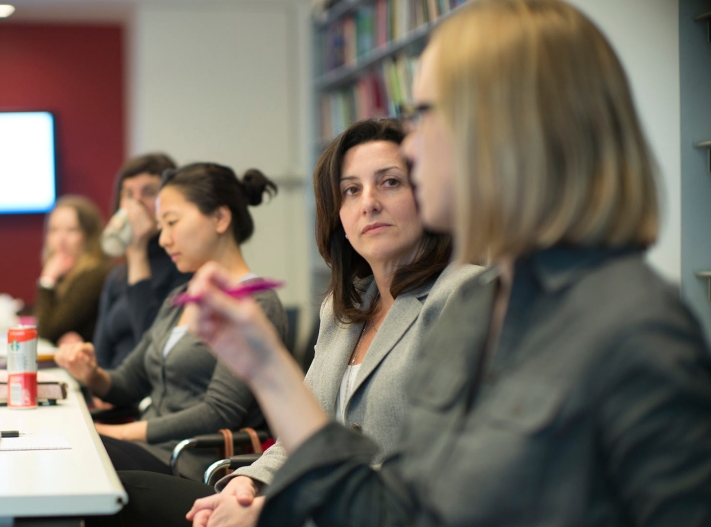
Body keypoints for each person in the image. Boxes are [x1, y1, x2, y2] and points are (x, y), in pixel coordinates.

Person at [182, 1, 711, 525]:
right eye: (351, 190)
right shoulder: (484, 304)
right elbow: (396, 512)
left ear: (515, 129)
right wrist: (265, 366)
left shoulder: (633, 326)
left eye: (427, 115)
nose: (411, 148)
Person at [92, 118, 483, 527]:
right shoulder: (342, 309)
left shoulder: (464, 296)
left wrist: (273, 508)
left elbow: (436, 472)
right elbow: (299, 435)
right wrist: (247, 482)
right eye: (351, 190)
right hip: (305, 503)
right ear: (338, 216)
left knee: (117, 496)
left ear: (428, 192)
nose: (368, 202)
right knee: (112, 494)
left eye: (390, 182)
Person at [54, 163, 288, 480]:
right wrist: (92, 374)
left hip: (190, 463)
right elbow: (128, 382)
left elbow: (219, 411)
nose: (163, 239)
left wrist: (122, 433)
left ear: (220, 218)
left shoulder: (254, 304)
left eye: (172, 223)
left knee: (78, 451)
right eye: (161, 226)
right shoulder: (180, 298)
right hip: (151, 452)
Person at [92, 153, 193, 370]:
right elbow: (101, 353)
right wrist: (97, 382)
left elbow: (154, 348)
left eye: (148, 193)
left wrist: (137, 251)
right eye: (128, 194)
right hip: (112, 385)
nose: (135, 203)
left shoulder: (184, 268)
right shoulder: (117, 276)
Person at [35, 195, 113, 345]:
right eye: (54, 230)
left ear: (88, 236)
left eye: (71, 230)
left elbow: (47, 331)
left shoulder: (95, 274)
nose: (61, 239)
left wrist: (47, 280)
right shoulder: (64, 273)